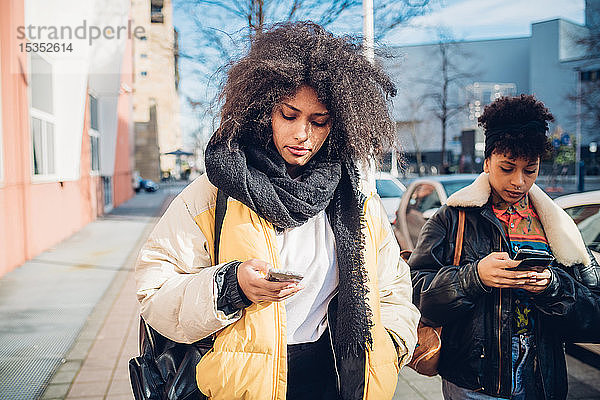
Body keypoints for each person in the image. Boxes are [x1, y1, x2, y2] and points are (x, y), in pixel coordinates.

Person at [135, 21, 419, 400]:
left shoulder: (355, 198)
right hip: (242, 387)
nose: (303, 135)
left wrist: (390, 348)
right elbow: (155, 290)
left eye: (320, 122)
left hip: (336, 381)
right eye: (289, 115)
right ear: (264, 109)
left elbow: (392, 288)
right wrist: (229, 286)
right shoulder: (213, 193)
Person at [409, 94, 600, 400]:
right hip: (473, 382)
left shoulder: (558, 226)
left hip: (541, 380)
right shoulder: (452, 217)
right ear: (487, 162)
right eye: (507, 168)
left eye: (530, 169)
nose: (519, 182)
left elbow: (594, 317)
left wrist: (553, 286)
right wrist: (474, 278)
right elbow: (415, 295)